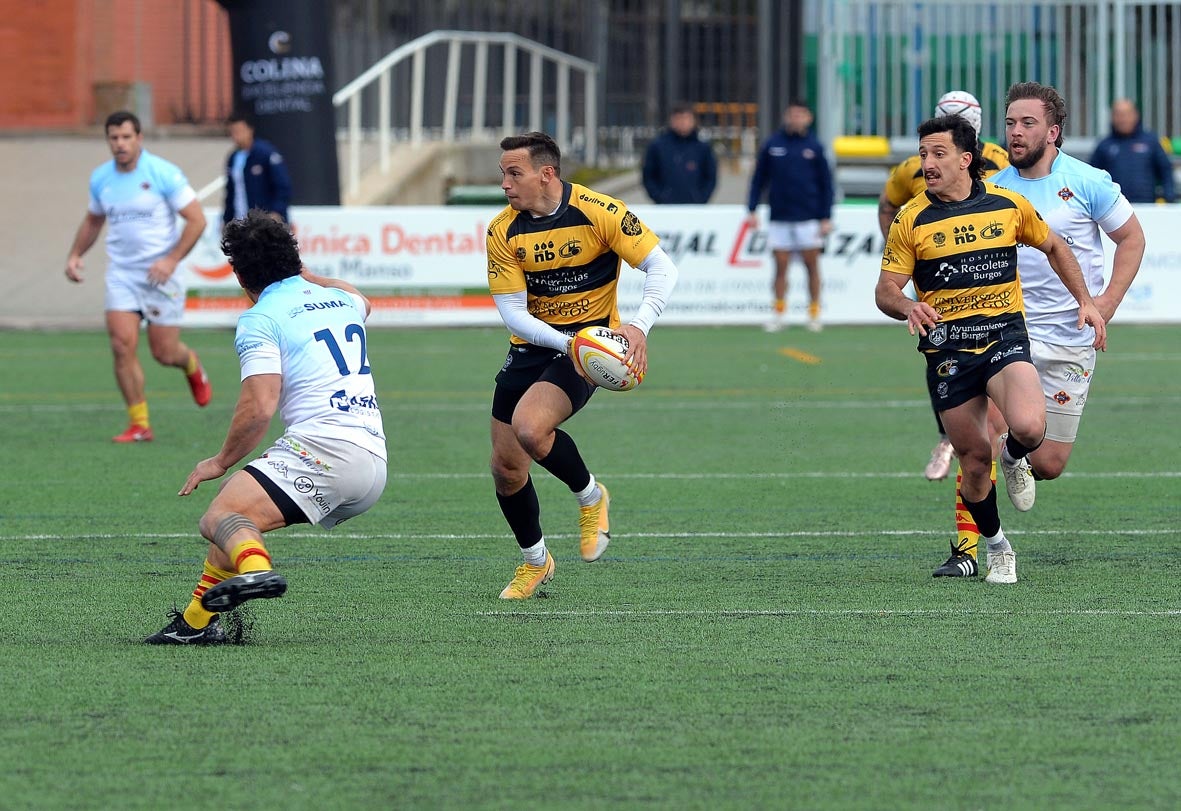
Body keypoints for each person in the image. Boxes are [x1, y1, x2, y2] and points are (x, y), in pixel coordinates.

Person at [875, 114, 1106, 585]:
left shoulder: (1006, 204)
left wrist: (1085, 301)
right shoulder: (912, 217)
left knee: (1029, 426)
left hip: (1003, 335)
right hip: (948, 352)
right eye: (923, 155)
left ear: (966, 159)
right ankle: (997, 546)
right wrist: (907, 307)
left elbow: (1057, 248)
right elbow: (885, 290)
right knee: (973, 459)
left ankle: (1015, 455)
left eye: (938, 154)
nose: (928, 163)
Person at [928, 81, 1146, 579]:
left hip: (1071, 336)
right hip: (1007, 329)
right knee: (981, 438)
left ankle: (1017, 456)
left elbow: (1132, 239)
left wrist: (1104, 304)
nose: (1016, 132)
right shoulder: (993, 188)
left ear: (1054, 130)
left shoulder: (1089, 181)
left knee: (1048, 463)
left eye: (1027, 123)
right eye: (1010, 123)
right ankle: (984, 549)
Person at [146, 211, 387, 644]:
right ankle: (196, 624)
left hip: (326, 451)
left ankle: (258, 573)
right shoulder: (342, 300)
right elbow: (361, 299)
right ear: (294, 258)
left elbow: (259, 407)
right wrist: (309, 275)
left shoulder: (261, 318)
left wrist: (219, 461)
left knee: (220, 515)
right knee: (237, 518)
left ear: (239, 275)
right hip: (372, 459)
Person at [486, 131, 678, 600]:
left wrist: (638, 327)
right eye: (503, 174)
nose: (506, 185)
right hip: (537, 345)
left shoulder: (601, 211)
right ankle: (536, 563)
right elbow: (512, 312)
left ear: (546, 173)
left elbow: (662, 268)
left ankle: (591, 497)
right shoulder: (502, 229)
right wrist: (566, 341)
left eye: (514, 173)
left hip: (588, 352)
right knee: (507, 469)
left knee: (532, 430)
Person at [877, 90, 1012, 483]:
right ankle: (948, 437)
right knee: (941, 348)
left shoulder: (999, 161)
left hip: (988, 271)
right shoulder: (911, 168)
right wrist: (898, 248)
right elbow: (888, 203)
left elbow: (1015, 206)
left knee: (996, 351)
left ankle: (1000, 441)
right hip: (937, 272)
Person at [65, 110, 211, 443]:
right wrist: (75, 255)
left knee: (164, 353)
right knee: (121, 345)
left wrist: (171, 260)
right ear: (108, 141)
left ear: (139, 138)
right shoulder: (101, 178)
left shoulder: (163, 173)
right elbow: (93, 221)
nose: (120, 144)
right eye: (114, 138)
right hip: (122, 274)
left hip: (161, 275)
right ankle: (140, 424)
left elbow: (197, 219)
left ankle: (190, 364)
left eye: (126, 137)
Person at [746, 100, 834, 333]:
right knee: (780, 266)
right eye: (792, 114)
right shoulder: (772, 145)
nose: (796, 119)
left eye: (800, 114)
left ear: (808, 118)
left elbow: (827, 183)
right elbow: (759, 179)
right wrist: (752, 209)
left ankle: (814, 312)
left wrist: (826, 216)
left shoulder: (815, 147)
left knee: (811, 265)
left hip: (808, 217)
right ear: (786, 116)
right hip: (780, 216)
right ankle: (779, 312)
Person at [1089, 98, 1176, 204]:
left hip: (1147, 207)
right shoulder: (1104, 145)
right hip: (1113, 209)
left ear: (1136, 115)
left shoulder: (1150, 141)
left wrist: (1169, 199)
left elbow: (1166, 171)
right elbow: (1092, 177)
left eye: (1126, 114)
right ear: (1112, 117)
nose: (1123, 119)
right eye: (1118, 114)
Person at [223, 112, 293, 228]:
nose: (236, 136)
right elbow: (230, 193)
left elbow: (283, 185)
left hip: (265, 222)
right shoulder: (233, 158)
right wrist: (227, 219)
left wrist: (276, 211)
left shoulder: (266, 153)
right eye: (232, 132)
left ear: (250, 130)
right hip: (241, 222)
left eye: (239, 131)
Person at [642, 103, 718, 204]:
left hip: (695, 207)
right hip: (665, 208)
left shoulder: (703, 147)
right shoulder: (658, 146)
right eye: (679, 118)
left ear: (693, 121)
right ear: (672, 121)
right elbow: (648, 175)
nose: (683, 122)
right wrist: (659, 197)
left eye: (686, 118)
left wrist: (701, 198)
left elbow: (710, 176)